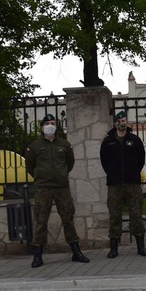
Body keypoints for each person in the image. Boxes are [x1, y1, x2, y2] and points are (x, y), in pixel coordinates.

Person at [25, 114, 90, 268]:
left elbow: (70, 163)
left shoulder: (65, 144)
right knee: (41, 221)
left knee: (68, 218)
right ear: (42, 127)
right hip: (43, 188)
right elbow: (29, 166)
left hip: (62, 188)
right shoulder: (34, 146)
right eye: (47, 123)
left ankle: (76, 252)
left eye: (52, 123)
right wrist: (41, 177)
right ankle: (38, 255)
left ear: (57, 126)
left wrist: (60, 175)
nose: (50, 125)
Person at [100, 110, 146, 258]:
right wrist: (113, 173)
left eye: (123, 120)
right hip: (114, 185)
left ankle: (140, 246)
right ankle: (114, 247)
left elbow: (141, 160)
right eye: (118, 120)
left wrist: (133, 172)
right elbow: (104, 162)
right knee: (115, 215)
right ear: (115, 123)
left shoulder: (135, 140)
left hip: (132, 184)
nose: (121, 122)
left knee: (136, 215)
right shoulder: (108, 141)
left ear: (126, 122)